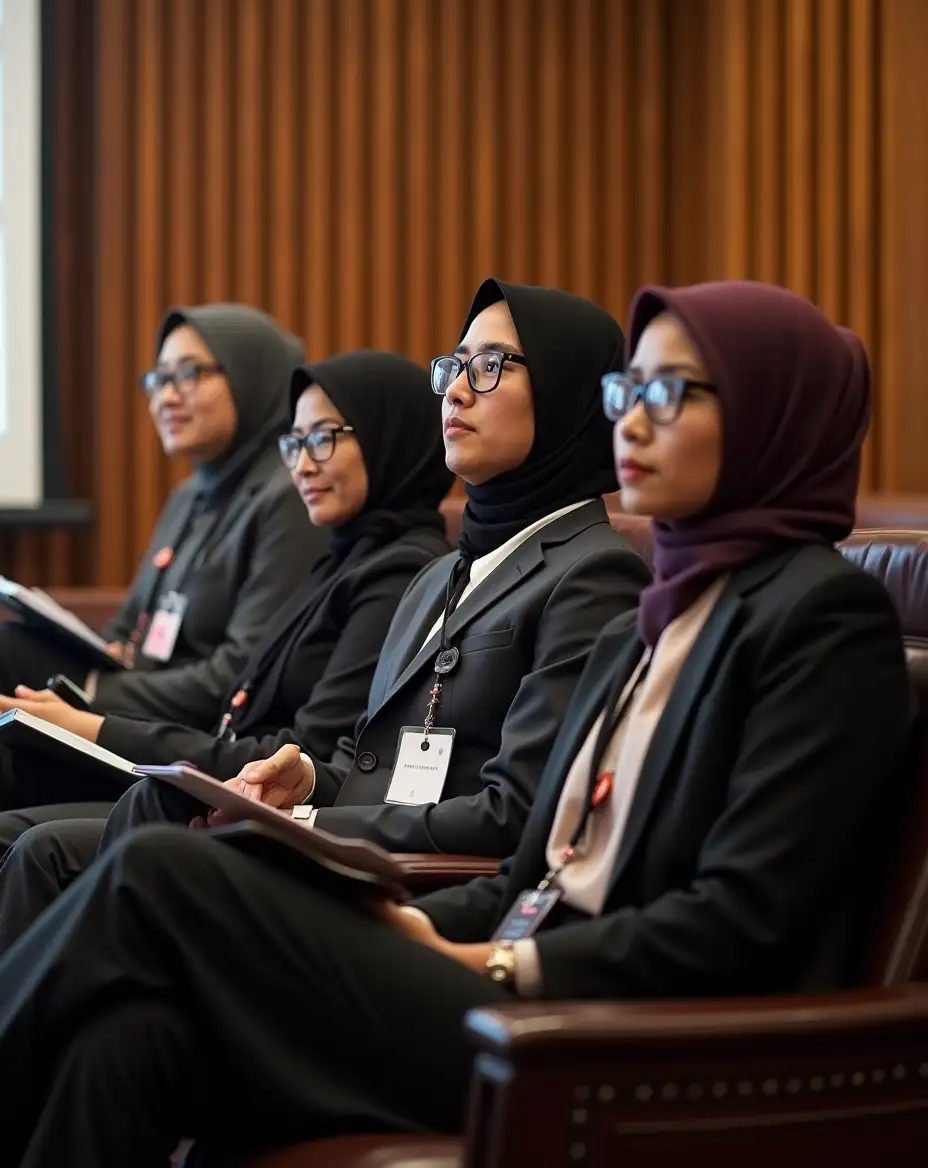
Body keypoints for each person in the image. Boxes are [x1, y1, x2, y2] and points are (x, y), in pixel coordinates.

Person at [0, 280, 912, 1165]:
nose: (630, 420)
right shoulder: (668, 611)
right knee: (131, 1037)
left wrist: (489, 961)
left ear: (769, 412)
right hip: (507, 965)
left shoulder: (819, 617)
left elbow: (740, 925)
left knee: (164, 868)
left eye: (668, 393)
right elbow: (540, 866)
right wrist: (422, 923)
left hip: (611, 1037)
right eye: (628, 390)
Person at [0, 278, 650, 950]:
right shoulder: (437, 577)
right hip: (352, 849)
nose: (455, 390)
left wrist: (306, 822)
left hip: (413, 889)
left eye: (489, 367)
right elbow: (368, 766)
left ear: (569, 391)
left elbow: (513, 814)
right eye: (454, 366)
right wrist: (307, 780)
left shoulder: (593, 571)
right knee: (143, 817)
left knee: (107, 852)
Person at [0, 351, 452, 882]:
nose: (303, 464)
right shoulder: (342, 557)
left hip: (263, 810)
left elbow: (301, 755)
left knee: (34, 846)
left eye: (324, 437)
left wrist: (94, 725)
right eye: (296, 442)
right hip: (212, 779)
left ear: (388, 438)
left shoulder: (399, 573)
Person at [0, 304, 323, 781]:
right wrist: (97, 664)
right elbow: (128, 629)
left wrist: (92, 692)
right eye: (158, 379)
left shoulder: (290, 496)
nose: (165, 398)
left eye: (189, 375)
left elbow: (238, 672)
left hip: (189, 738)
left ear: (253, 377)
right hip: (138, 705)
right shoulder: (191, 494)